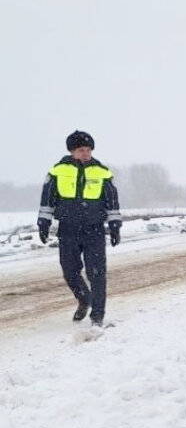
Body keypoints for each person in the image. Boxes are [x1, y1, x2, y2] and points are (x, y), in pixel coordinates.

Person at [37, 130, 121, 326]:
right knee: (69, 271)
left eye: (88, 149)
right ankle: (84, 299)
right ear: (72, 151)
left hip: (94, 230)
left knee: (97, 274)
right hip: (68, 229)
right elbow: (47, 200)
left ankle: (97, 316)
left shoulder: (102, 172)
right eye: (81, 150)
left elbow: (112, 202)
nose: (86, 153)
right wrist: (43, 223)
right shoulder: (57, 171)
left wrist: (115, 226)